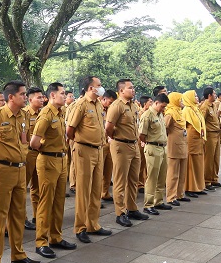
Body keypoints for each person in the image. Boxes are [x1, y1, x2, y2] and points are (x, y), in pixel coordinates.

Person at [0, 81, 42, 263]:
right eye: (23, 94)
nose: (26, 97)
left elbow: (25, 140)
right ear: (11, 97)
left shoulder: (24, 116)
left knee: (18, 214)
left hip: (20, 170)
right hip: (1, 170)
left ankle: (18, 254)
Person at [30, 82, 75, 259]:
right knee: (45, 202)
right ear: (52, 96)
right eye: (62, 93)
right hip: (48, 160)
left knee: (59, 201)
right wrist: (46, 149)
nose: (65, 96)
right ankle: (41, 241)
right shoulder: (46, 114)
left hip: (61, 159)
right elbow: (34, 142)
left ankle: (56, 237)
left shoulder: (61, 112)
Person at [66, 76, 113, 244]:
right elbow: (70, 130)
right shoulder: (80, 105)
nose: (101, 88)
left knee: (96, 188)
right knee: (83, 190)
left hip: (98, 149)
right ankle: (80, 227)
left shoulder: (99, 104)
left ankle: (93, 224)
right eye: (98, 85)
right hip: (84, 149)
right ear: (90, 88)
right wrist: (79, 142)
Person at [106, 79, 146, 227]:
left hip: (133, 145)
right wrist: (116, 138)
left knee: (133, 179)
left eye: (133, 87)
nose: (133, 90)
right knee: (120, 181)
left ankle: (132, 208)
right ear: (121, 91)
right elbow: (108, 128)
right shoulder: (116, 106)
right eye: (130, 88)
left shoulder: (133, 105)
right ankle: (120, 212)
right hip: (121, 145)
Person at [139, 94, 170, 214]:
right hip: (152, 147)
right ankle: (148, 204)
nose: (163, 109)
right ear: (156, 103)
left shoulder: (160, 114)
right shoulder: (147, 115)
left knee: (162, 177)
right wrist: (148, 143)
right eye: (162, 106)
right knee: (152, 177)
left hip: (162, 147)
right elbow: (141, 134)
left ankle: (159, 201)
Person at [23, 87, 45, 231]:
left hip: (41, 153)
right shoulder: (24, 114)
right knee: (22, 187)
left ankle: (38, 215)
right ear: (30, 100)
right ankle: (22, 218)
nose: (42, 100)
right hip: (28, 154)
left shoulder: (44, 113)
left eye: (42, 97)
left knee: (38, 186)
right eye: (39, 98)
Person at [164, 92, 189, 205]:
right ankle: (171, 196)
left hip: (183, 144)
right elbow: (164, 129)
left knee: (182, 172)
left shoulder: (179, 112)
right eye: (180, 100)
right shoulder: (170, 113)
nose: (182, 102)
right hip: (174, 146)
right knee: (173, 173)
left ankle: (180, 194)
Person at [183, 90, 207, 196]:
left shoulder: (196, 109)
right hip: (191, 138)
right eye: (195, 96)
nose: (197, 98)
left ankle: (199, 186)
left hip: (198, 138)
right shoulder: (187, 110)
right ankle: (190, 188)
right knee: (191, 162)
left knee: (199, 162)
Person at [199, 88, 221, 189]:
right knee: (208, 158)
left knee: (216, 158)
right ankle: (207, 180)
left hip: (216, 134)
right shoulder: (205, 106)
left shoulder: (214, 105)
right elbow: (201, 122)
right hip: (209, 135)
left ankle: (214, 178)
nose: (215, 95)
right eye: (214, 93)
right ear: (209, 95)